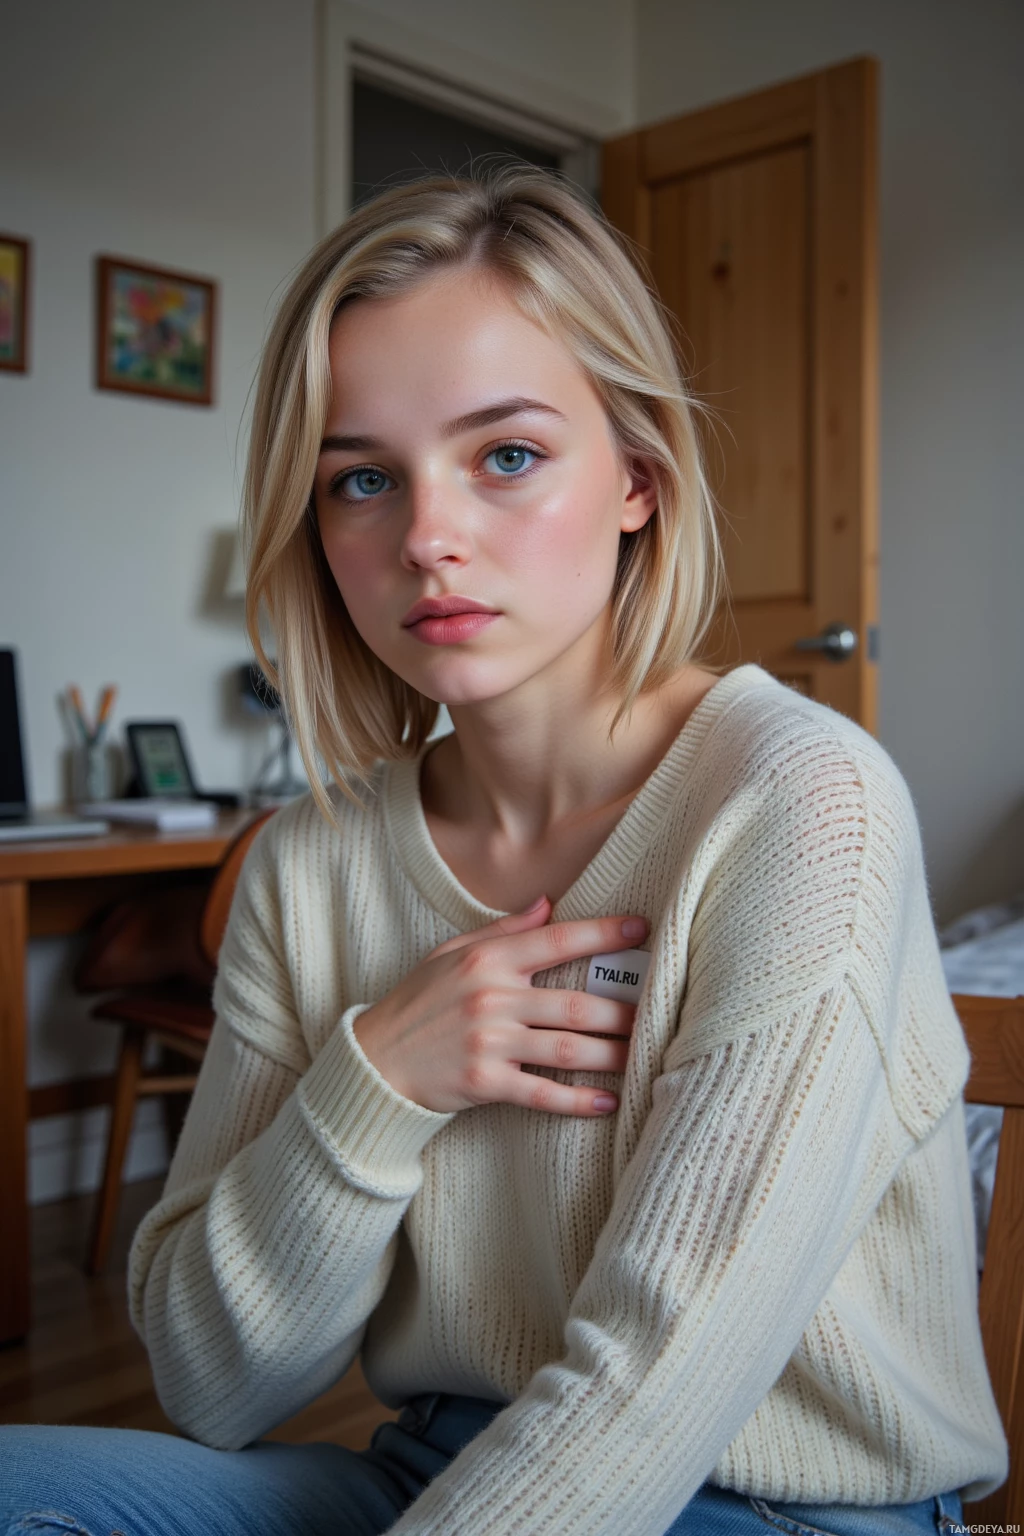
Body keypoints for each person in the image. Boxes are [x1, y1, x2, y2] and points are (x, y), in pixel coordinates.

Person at [0, 166, 1006, 1535]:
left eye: (508, 456)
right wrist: (380, 1076)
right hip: (437, 1471)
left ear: (639, 480)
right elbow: (208, 1382)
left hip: (774, 1508)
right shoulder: (309, 862)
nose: (427, 538)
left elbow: (645, 1401)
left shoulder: (800, 803)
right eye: (362, 479)